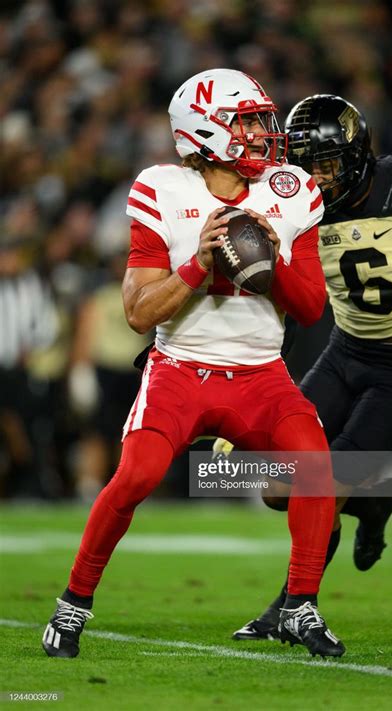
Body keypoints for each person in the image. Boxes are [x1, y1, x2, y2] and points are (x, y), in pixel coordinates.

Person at [42, 70, 346, 659]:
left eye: (262, 118)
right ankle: (73, 602)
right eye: (248, 121)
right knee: (135, 477)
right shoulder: (163, 189)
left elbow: (310, 307)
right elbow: (137, 312)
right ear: (205, 132)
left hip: (261, 373)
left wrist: (267, 257)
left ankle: (300, 605)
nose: (263, 132)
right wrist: (200, 264)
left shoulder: (290, 191)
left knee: (314, 466)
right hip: (181, 368)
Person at [233, 93, 392, 641]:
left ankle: (291, 608)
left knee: (322, 483)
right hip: (345, 352)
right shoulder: (295, 208)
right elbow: (286, 306)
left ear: (358, 153)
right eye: (305, 166)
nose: (316, 178)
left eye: (327, 164)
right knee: (276, 487)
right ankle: (374, 500)